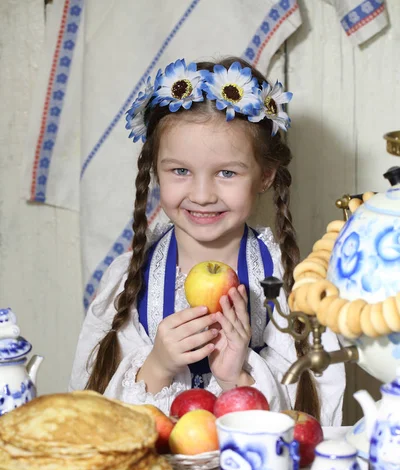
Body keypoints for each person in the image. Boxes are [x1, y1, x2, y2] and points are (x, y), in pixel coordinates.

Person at [69, 56, 345, 425]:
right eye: (180, 170)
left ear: (264, 176)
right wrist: (158, 366)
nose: (201, 195)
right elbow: (92, 419)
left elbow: (317, 420)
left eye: (226, 173)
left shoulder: (291, 286)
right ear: (156, 171)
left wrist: (237, 378)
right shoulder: (129, 281)